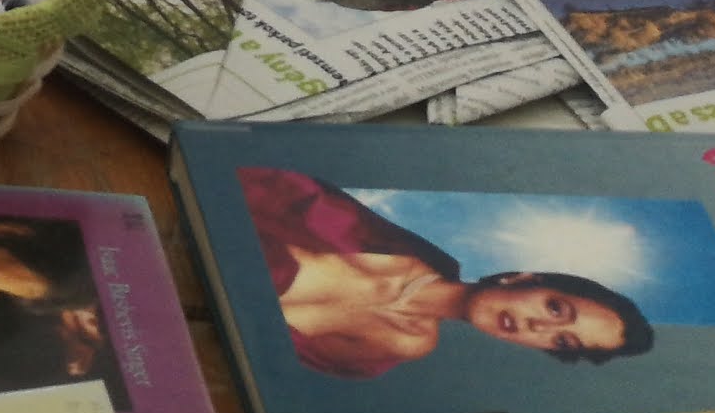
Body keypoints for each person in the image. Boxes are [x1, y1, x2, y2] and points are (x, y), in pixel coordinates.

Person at [234, 163, 657, 380]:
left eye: (561, 341)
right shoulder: (366, 237)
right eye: (556, 309)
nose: (537, 326)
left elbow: (252, 357)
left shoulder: (402, 344)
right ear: (524, 278)